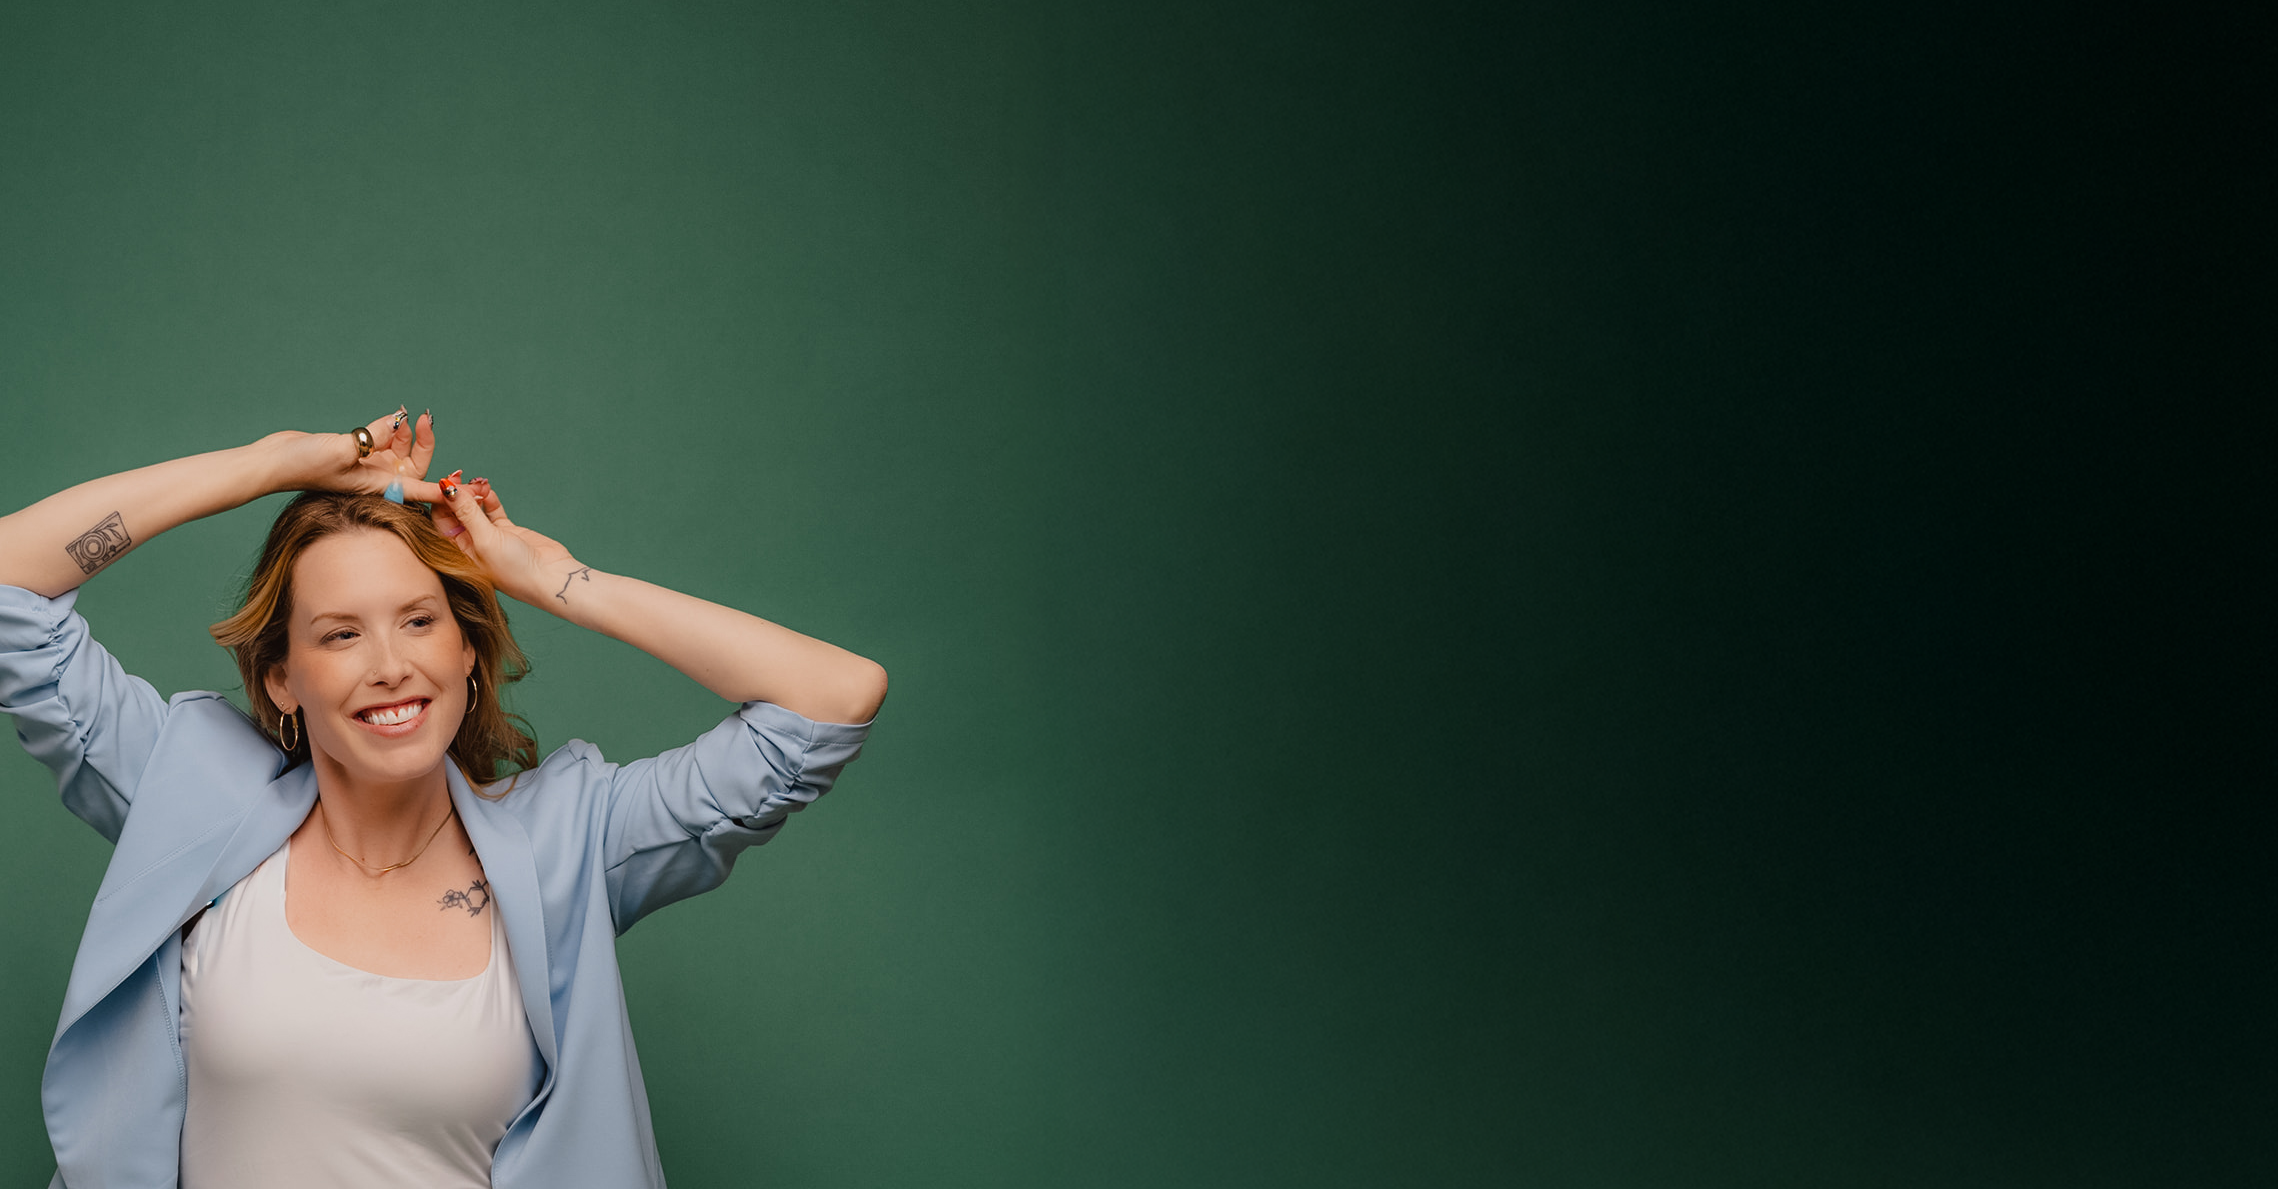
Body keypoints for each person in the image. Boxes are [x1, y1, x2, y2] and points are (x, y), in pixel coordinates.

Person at [0, 410, 888, 1188]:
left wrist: (557, 583)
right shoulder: (191, 799)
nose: (391, 664)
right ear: (282, 680)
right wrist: (273, 464)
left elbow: (831, 699)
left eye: (421, 620)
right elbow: (11, 585)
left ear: (469, 651)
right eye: (341, 634)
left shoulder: (568, 843)